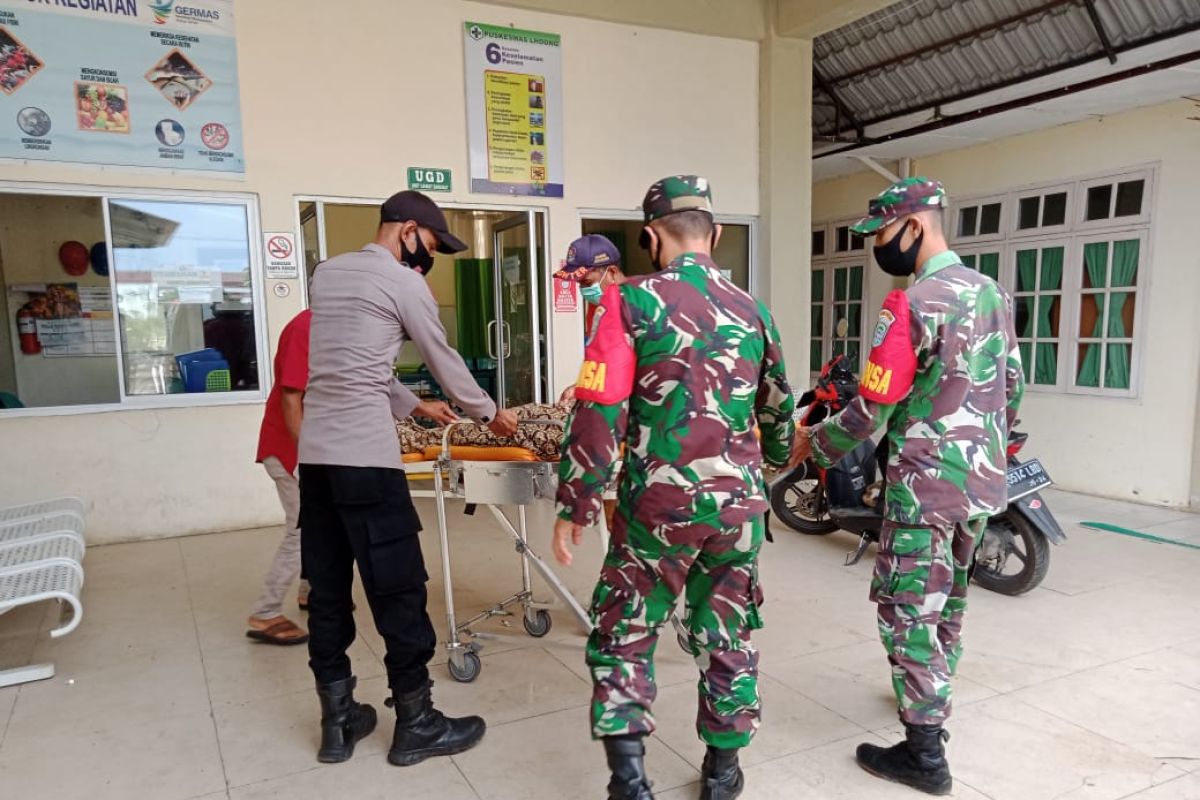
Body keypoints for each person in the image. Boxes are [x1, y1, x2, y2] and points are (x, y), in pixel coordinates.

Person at [553, 175, 795, 800]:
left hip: (658, 510)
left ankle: (630, 783)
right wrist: (764, 462)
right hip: (737, 510)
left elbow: (598, 407)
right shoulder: (754, 310)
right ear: (713, 234)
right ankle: (722, 772)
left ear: (651, 236)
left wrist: (576, 502)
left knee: (625, 631)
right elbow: (776, 410)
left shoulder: (628, 303)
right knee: (728, 633)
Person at [789, 177, 1024, 796]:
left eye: (882, 234)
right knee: (949, 602)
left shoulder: (911, 304)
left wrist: (816, 442)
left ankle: (924, 754)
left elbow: (873, 407)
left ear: (914, 227)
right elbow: (1014, 389)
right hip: (980, 484)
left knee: (906, 609)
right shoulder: (992, 292)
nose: (878, 247)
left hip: (925, 489)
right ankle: (935, 706)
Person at [298, 190, 519, 767]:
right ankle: (417, 722)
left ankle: (338, 721)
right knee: (398, 588)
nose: (429, 260)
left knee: (326, 592)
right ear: (408, 230)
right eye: (430, 246)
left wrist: (414, 405)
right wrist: (491, 415)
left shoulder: (328, 274)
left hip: (317, 460)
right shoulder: (402, 282)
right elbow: (443, 357)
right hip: (367, 461)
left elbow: (350, 361)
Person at [246, 308, 313, 646]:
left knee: (324, 523)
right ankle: (266, 611)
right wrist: (309, 458)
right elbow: (291, 395)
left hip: (306, 447)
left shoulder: (334, 324)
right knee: (300, 530)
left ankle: (309, 591)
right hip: (289, 449)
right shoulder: (306, 327)